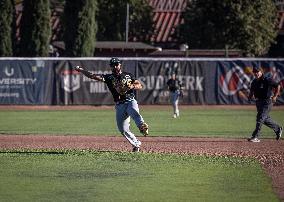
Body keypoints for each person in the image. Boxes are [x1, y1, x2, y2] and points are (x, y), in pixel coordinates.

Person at [75, 57, 149, 152]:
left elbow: (139, 85)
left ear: (120, 65)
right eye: (113, 65)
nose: (115, 66)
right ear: (110, 67)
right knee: (122, 129)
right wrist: (81, 70)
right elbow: (92, 76)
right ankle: (136, 144)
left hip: (130, 100)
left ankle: (142, 125)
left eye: (116, 64)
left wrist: (132, 86)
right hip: (119, 105)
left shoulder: (128, 75)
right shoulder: (109, 78)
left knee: (134, 113)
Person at [247, 66, 282, 142]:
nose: (256, 73)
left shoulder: (267, 79)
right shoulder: (254, 82)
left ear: (261, 72)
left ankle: (255, 136)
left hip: (267, 101)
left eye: (258, 72)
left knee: (260, 118)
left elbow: (277, 86)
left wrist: (275, 96)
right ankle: (278, 128)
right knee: (264, 119)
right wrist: (249, 97)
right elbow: (251, 91)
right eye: (255, 72)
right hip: (259, 102)